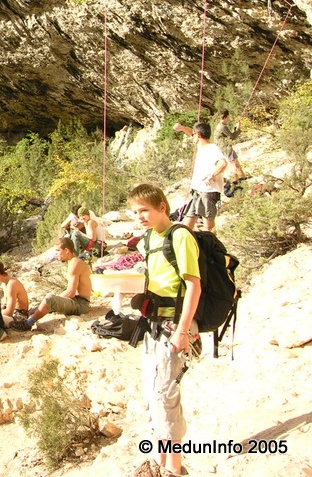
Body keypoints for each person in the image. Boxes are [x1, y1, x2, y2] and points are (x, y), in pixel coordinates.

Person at [126, 183, 201, 477]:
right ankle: (159, 461)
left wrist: (183, 332)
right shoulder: (149, 238)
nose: (140, 216)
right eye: (136, 212)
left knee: (166, 395)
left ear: (162, 208)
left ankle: (174, 468)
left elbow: (194, 284)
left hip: (174, 327)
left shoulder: (179, 236)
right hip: (153, 328)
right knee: (153, 393)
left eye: (145, 210)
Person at [12, 238, 92, 330]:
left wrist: (53, 301)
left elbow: (71, 292)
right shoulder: (74, 262)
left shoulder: (74, 264)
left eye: (58, 251)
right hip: (78, 301)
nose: (56, 254)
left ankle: (28, 324)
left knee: (50, 299)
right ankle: (27, 315)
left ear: (66, 250)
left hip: (81, 304)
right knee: (45, 301)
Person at [172, 120, 228, 232]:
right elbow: (192, 133)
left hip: (208, 191)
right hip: (198, 191)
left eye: (194, 134)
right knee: (187, 224)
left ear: (198, 135)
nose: (192, 136)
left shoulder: (212, 148)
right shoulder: (201, 145)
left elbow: (223, 163)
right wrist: (182, 128)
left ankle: (211, 246)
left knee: (208, 226)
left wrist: (212, 175)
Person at [0, 259, 30, 326]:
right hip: (13, 316)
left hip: (19, 318)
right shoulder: (4, 284)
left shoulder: (12, 284)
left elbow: (9, 312)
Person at [214, 109, 247, 180]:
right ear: (225, 117)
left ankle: (238, 179)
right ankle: (243, 179)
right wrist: (238, 128)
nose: (229, 118)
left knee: (233, 164)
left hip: (222, 148)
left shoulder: (220, 126)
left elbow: (230, 135)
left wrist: (236, 129)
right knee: (235, 164)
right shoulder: (222, 127)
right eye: (228, 117)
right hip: (226, 148)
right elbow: (233, 137)